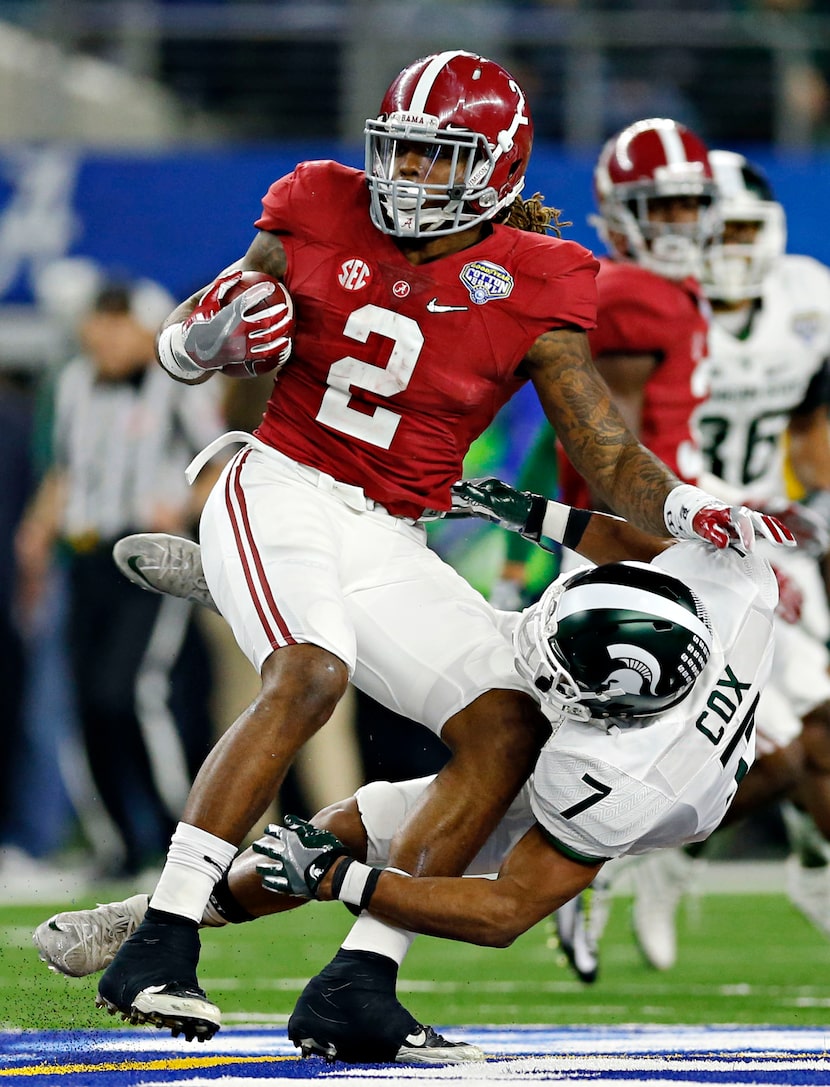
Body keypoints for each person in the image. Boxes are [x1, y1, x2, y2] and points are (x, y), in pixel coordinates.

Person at [92, 50, 792, 1059]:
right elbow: (188, 341)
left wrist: (686, 506)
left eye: (435, 157)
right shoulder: (314, 204)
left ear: (494, 166)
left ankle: (358, 981)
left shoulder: (540, 277)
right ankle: (160, 938)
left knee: (508, 727)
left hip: (392, 528)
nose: (405, 178)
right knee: (310, 672)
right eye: (399, 152)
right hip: (278, 479)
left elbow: (602, 450)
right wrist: (201, 344)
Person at [33, 479, 783, 1065]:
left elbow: (507, 910)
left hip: (650, 787)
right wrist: (529, 513)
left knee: (368, 827)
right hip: (627, 717)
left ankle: (277, 605)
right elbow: (642, 550)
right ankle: (289, 607)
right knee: (465, 678)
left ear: (599, 709)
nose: (536, 653)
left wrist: (339, 881)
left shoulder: (620, 785)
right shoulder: (734, 583)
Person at [628, 150, 830, 968]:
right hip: (688, 536)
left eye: (747, 226)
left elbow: (815, 425)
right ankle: (658, 848)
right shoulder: (657, 303)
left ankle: (791, 863)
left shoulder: (806, 297)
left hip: (779, 539)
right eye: (721, 226)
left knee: (810, 739)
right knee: (778, 751)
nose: (732, 243)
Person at [14, 280, 225, 878]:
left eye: (117, 322)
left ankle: (180, 839)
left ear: (145, 328)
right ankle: (120, 843)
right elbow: (65, 470)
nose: (103, 335)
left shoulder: (176, 385)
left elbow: (224, 464)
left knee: (130, 692)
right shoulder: (75, 382)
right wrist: (35, 532)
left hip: (146, 558)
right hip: (82, 555)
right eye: (98, 322)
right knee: (84, 702)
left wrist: (180, 507)